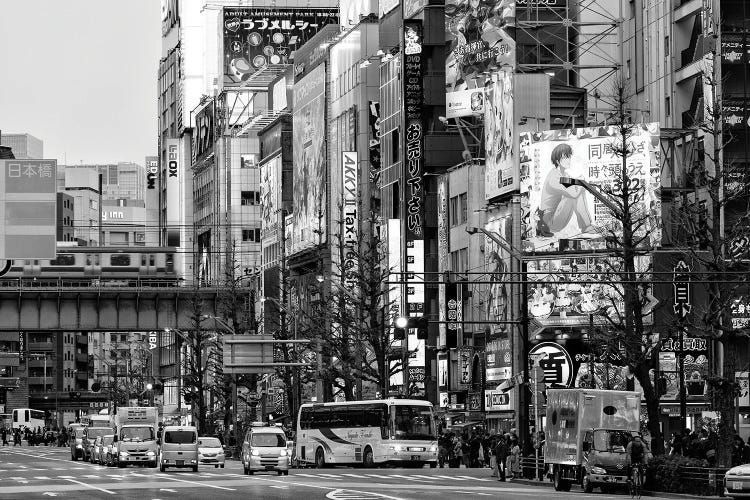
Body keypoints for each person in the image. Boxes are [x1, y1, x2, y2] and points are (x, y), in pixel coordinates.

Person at [536, 143, 594, 238]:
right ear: (557, 161)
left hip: (557, 216)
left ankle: (586, 226)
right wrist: (580, 182)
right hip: (549, 222)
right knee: (574, 194)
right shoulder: (554, 177)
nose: (568, 160)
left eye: (569, 157)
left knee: (578, 189)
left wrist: (579, 181)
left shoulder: (564, 175)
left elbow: (574, 183)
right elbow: (574, 193)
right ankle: (586, 226)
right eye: (565, 157)